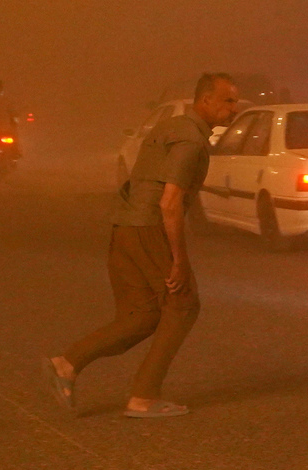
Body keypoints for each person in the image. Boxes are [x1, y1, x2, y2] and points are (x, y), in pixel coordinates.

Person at [44, 72, 241, 418]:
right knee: (183, 305)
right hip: (149, 227)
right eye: (228, 100)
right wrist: (178, 260)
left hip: (124, 226)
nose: (234, 108)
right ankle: (144, 396)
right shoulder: (191, 141)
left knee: (142, 316)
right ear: (205, 100)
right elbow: (170, 203)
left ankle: (67, 364)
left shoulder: (170, 127)